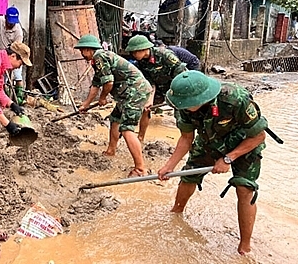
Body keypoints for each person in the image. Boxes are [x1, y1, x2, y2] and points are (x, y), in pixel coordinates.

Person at [158, 71, 267, 255]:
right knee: (189, 175)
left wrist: (228, 158)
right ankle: (176, 213)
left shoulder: (235, 98)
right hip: (210, 139)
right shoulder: (182, 103)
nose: (181, 107)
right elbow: (186, 138)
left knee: (244, 188)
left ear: (200, 99)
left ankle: (245, 246)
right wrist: (169, 165)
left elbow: (258, 135)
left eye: (186, 105)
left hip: (244, 142)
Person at [75, 34, 153, 177]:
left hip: (135, 92)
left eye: (82, 51)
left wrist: (103, 98)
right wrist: (85, 104)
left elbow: (108, 83)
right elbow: (96, 84)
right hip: (127, 94)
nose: (82, 54)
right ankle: (111, 150)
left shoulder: (99, 57)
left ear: (88, 49)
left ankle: (140, 168)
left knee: (127, 128)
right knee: (115, 119)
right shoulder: (99, 59)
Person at [125, 35, 187, 142]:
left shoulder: (165, 55)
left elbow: (182, 74)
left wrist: (176, 94)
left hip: (176, 86)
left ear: (144, 49)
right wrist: (150, 99)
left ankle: (185, 140)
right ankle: (140, 138)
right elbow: (149, 82)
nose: (133, 55)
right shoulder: (142, 62)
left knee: (181, 116)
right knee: (145, 108)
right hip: (159, 87)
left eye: (135, 52)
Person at [0, 6, 25, 104]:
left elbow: (17, 49)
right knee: (2, 78)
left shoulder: (18, 32)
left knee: (17, 76)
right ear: (6, 18)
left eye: (13, 22)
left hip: (13, 55)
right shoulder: (0, 20)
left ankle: (19, 98)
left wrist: (8, 53)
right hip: (0, 55)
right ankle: (5, 97)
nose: (11, 23)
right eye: (9, 21)